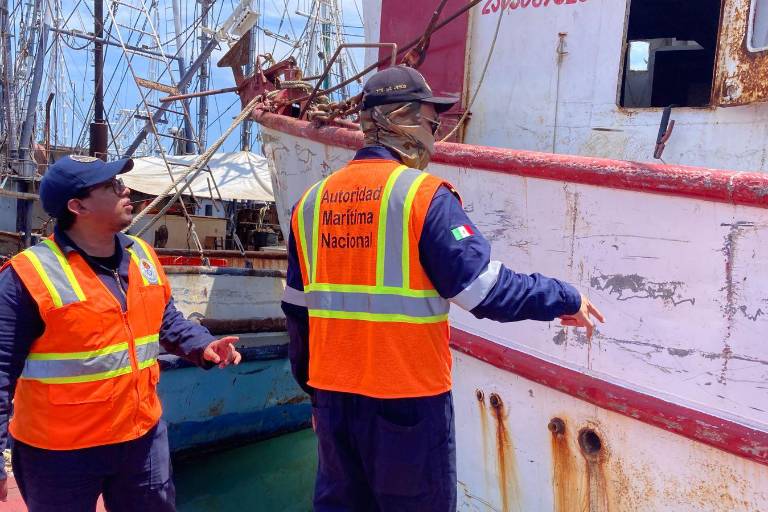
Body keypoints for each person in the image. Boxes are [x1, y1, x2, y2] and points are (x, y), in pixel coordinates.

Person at [280, 65, 605, 511]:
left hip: (335, 405)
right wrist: (565, 297)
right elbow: (484, 290)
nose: (435, 136)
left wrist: (316, 400)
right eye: (432, 123)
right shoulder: (423, 197)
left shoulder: (309, 205)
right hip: (407, 408)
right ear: (404, 121)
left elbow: (297, 317)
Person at [0, 155, 242, 511]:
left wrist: (203, 345)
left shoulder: (142, 254)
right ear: (77, 205)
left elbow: (164, 320)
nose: (125, 189)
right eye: (112, 185)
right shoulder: (27, 276)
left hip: (141, 439)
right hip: (58, 453)